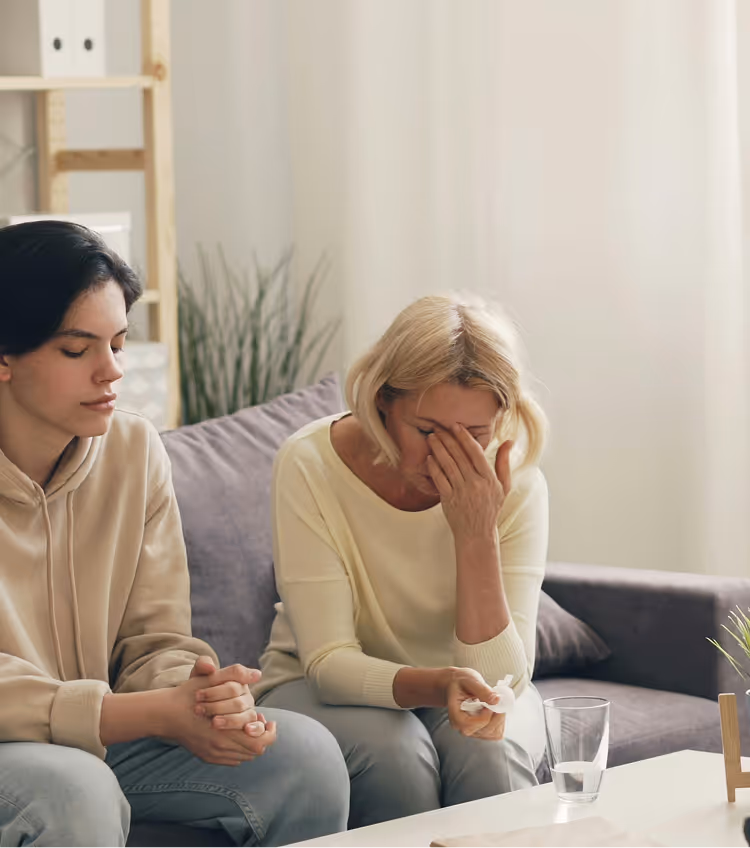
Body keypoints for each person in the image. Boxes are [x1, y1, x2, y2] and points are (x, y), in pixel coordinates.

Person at [0, 221, 349, 848]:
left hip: (103, 736)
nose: (112, 372)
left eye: (119, 344)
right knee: (76, 789)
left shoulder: (133, 451)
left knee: (305, 757)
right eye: (77, 351)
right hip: (17, 753)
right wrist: (141, 714)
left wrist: (196, 698)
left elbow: (154, 637)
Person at [256, 293, 549, 828]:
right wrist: (439, 685)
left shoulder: (518, 485)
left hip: (465, 688)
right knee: (395, 753)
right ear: (382, 401)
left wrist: (475, 532)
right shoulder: (309, 463)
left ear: (502, 419)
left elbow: (503, 681)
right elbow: (327, 665)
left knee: (490, 750)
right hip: (317, 687)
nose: (446, 458)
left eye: (475, 435)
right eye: (428, 431)